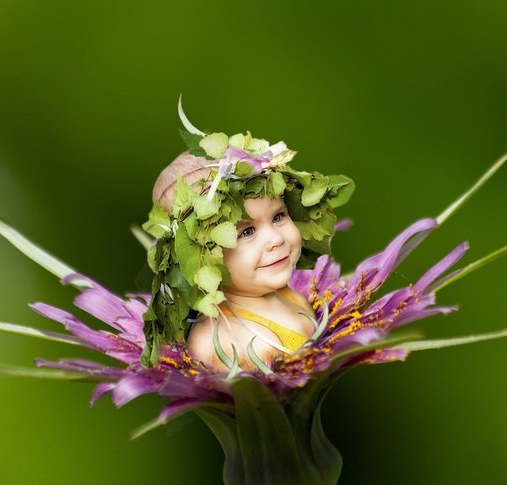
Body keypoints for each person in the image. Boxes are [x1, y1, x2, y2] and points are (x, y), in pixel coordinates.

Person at [141, 123, 354, 372]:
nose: (275, 239)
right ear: (200, 260)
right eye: (247, 231)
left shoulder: (294, 298)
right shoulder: (218, 344)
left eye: (278, 217)